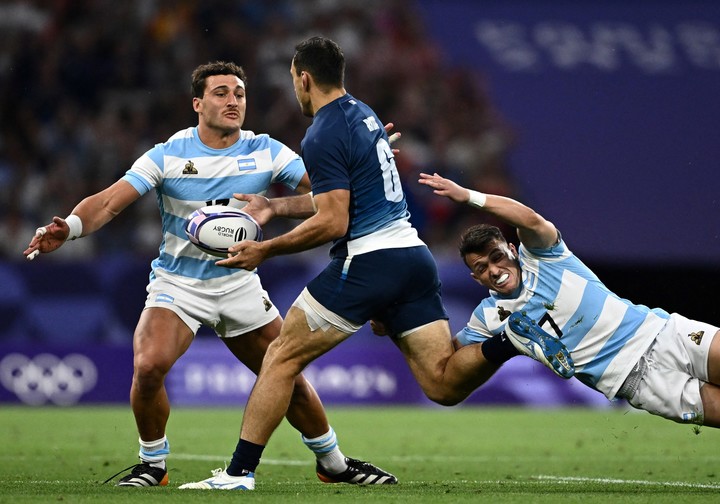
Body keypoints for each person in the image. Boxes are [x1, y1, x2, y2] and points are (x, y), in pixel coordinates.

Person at [178, 36, 532, 491]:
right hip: (412, 258)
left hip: (369, 262)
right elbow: (340, 195)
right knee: (443, 385)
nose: (294, 90)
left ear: (304, 78)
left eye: (293, 81)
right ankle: (513, 336)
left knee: (280, 357)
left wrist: (265, 249)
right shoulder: (362, 115)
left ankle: (239, 473)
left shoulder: (322, 132)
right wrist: (273, 207)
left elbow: (332, 220)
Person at [23, 61, 398, 488]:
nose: (233, 100)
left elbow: (327, 194)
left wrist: (366, 162)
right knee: (148, 366)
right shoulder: (168, 154)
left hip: (238, 283)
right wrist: (69, 228)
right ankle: (153, 465)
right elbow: (109, 202)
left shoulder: (267, 150)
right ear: (197, 103)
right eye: (221, 93)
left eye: (239, 93)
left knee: (285, 375)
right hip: (178, 284)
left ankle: (333, 464)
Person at [416, 171, 720, 428]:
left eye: (497, 257)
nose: (494, 270)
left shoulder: (543, 256)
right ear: (475, 278)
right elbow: (452, 362)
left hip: (664, 334)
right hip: (638, 381)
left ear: (511, 248)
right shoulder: (487, 318)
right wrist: (398, 315)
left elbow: (530, 220)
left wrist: (469, 196)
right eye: (482, 268)